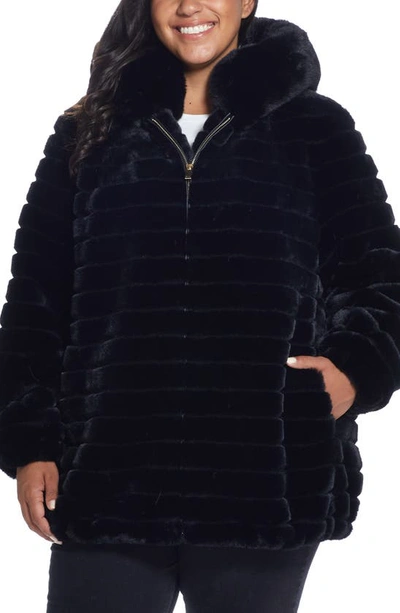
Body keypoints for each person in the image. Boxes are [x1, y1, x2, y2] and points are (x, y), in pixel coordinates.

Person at [1, 0, 400, 611]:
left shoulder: (315, 128)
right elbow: (35, 304)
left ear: (247, 1)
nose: (190, 5)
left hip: (264, 481)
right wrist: (30, 442)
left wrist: (354, 372)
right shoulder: (88, 132)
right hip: (108, 477)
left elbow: (380, 276)